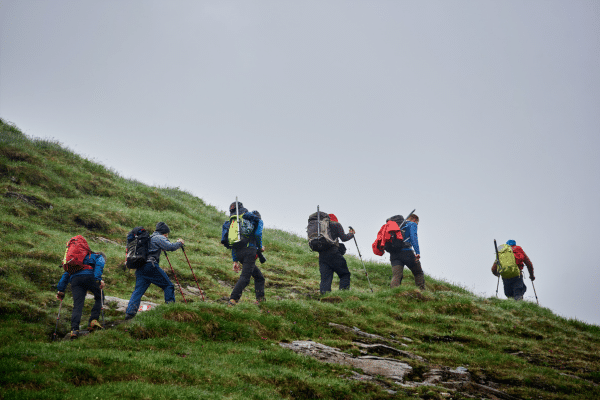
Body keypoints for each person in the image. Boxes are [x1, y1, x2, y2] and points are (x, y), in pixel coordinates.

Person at [125, 222, 184, 319]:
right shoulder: (159, 237)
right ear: (164, 233)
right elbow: (171, 247)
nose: (166, 236)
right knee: (168, 285)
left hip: (141, 268)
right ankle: (171, 310)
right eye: (167, 234)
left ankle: (129, 314)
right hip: (150, 266)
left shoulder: (148, 238)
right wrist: (180, 243)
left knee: (138, 291)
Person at [56, 250, 106, 339]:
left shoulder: (76, 259)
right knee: (100, 296)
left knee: (77, 304)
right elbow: (100, 265)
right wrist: (98, 279)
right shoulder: (98, 256)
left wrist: (61, 289)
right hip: (89, 276)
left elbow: (67, 273)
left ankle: (74, 330)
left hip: (75, 279)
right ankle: (93, 320)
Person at [227, 201, 266, 306]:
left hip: (239, 253)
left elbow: (233, 243)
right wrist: (260, 247)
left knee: (259, 277)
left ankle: (260, 300)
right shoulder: (257, 220)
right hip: (249, 252)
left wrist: (235, 260)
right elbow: (258, 233)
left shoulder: (240, 223)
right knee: (245, 278)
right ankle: (233, 300)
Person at [317, 213, 355, 295]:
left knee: (325, 278)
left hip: (322, 256)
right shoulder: (336, 225)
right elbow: (344, 238)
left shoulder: (319, 227)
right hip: (334, 254)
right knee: (344, 274)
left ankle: (325, 297)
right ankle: (343, 294)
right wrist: (351, 234)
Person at [385, 214, 425, 290]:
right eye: (417, 223)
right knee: (418, 272)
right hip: (407, 252)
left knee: (397, 275)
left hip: (394, 254)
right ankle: (422, 292)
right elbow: (414, 238)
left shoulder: (396, 226)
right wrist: (417, 252)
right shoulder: (412, 224)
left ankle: (394, 294)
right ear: (414, 220)